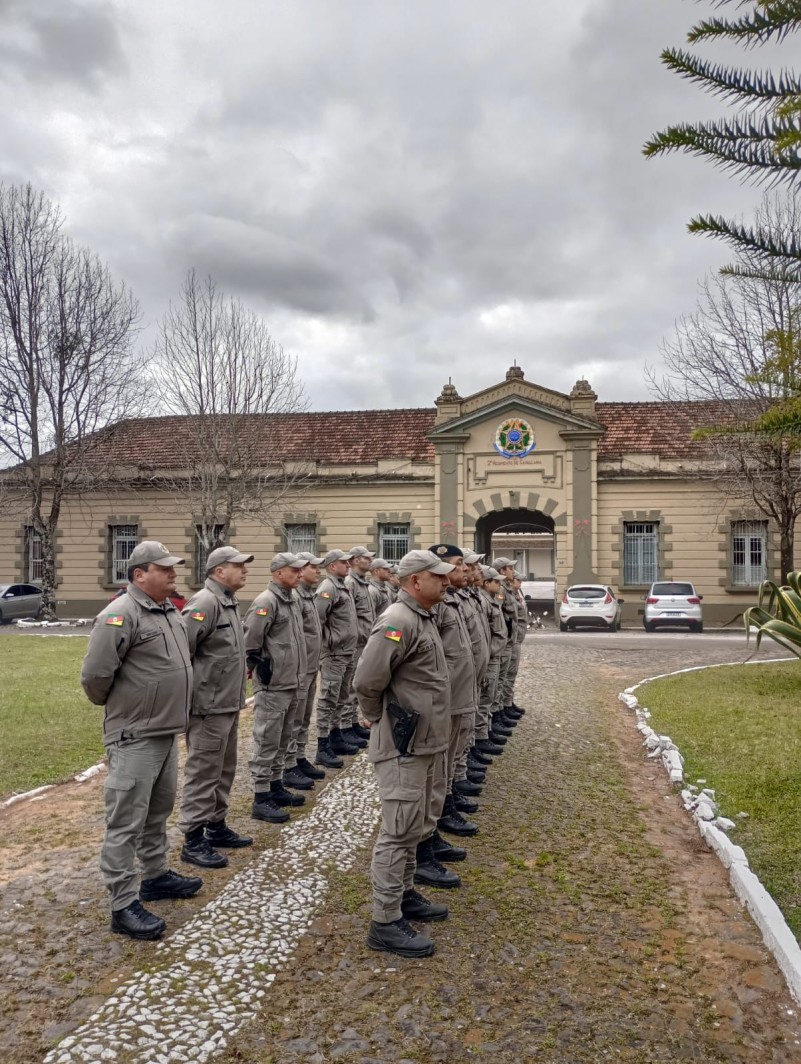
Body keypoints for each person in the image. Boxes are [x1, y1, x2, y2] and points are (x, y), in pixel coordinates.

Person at [81, 541, 199, 941]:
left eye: (172, 567)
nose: (173, 573)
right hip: (134, 734)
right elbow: (95, 677)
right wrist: (130, 707)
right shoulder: (119, 614)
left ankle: (155, 876)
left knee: (157, 810)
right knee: (125, 821)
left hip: (164, 730)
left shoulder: (168, 611)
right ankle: (122, 904)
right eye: (164, 568)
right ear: (139, 574)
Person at [354, 549, 454, 959]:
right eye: (438, 576)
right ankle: (384, 922)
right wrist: (376, 716)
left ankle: (404, 894)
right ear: (415, 581)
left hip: (425, 741)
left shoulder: (422, 616)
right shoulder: (397, 620)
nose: (446, 581)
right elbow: (367, 680)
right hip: (404, 744)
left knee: (414, 826)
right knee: (397, 831)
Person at [178, 545, 255, 870]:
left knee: (223, 769)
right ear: (219, 570)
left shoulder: (227, 601)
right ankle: (193, 839)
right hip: (208, 706)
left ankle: (216, 825)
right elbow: (182, 653)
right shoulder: (205, 602)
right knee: (203, 771)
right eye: (239, 566)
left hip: (226, 703)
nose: (245, 571)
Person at [244, 553, 308, 824]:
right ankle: (261, 797)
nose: (300, 574)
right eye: (294, 570)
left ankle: (275, 784)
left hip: (291, 681)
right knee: (267, 739)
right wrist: (261, 667)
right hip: (274, 684)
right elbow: (250, 642)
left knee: (283, 738)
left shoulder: (292, 599)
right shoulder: (266, 601)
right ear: (279, 572)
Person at [426, 544, 479, 852]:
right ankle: (434, 823)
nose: (466, 570)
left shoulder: (454, 600)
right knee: (437, 767)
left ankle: (445, 806)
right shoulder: (434, 606)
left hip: (459, 693)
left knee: (448, 761)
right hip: (444, 699)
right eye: (459, 564)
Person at [282, 551, 327, 789]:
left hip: (310, 665)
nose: (317, 571)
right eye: (312, 567)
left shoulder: (309, 595)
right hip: (299, 668)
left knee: (304, 717)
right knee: (294, 719)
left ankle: (299, 757)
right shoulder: (296, 597)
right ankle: (289, 765)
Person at [314, 549, 359, 765]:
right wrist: (328, 643)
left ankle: (335, 735)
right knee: (328, 698)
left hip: (347, 651)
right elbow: (318, 620)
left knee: (341, 697)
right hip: (334, 653)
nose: (348, 565)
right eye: (344, 562)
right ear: (332, 566)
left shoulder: (342, 586)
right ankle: (322, 745)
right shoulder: (327, 588)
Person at [341, 545, 376, 746]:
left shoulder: (362, 583)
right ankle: (345, 726)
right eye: (366, 558)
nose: (370, 561)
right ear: (355, 560)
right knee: (349, 686)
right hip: (355, 642)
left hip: (364, 641)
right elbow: (349, 614)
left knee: (355, 685)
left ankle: (352, 723)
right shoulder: (350, 583)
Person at [473, 566, 508, 759]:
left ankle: (484, 732)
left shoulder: (490, 599)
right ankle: (480, 737)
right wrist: (489, 653)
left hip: (494, 654)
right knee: (484, 697)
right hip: (488, 656)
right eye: (496, 581)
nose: (499, 585)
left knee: (490, 695)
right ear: (487, 583)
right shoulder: (483, 601)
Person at [492, 557, 520, 737]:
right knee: (497, 681)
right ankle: (497, 713)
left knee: (504, 678)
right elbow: (498, 614)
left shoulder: (508, 589)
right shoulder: (501, 590)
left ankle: (502, 708)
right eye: (510, 568)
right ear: (502, 571)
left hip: (509, 639)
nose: (512, 571)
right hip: (503, 641)